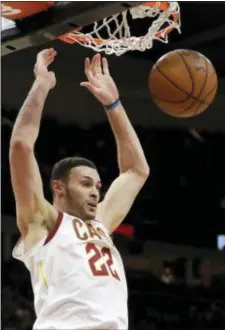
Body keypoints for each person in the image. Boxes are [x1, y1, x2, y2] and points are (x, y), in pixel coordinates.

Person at [10, 48, 150, 330]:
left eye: (98, 185)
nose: (96, 192)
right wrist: (41, 84)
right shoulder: (43, 221)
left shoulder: (100, 223)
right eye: (85, 184)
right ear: (58, 188)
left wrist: (114, 105)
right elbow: (21, 146)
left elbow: (137, 171)